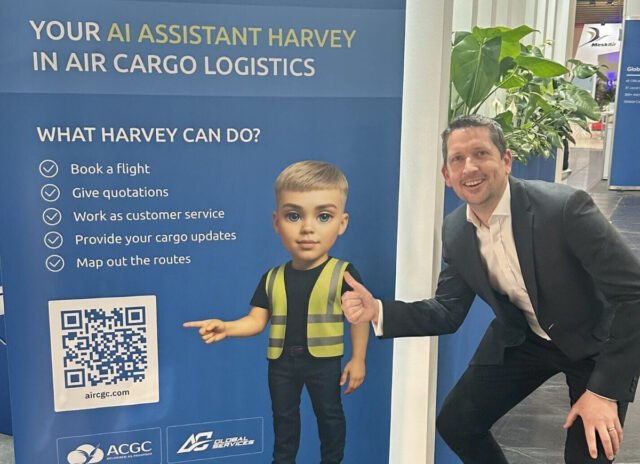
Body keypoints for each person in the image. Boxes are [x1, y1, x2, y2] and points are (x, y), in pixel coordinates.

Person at [341, 115, 640, 463]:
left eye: (481, 153)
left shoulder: (563, 209)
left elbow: (634, 293)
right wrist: (378, 309)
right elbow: (447, 311)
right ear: (447, 175)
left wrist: (603, 392)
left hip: (595, 343)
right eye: (457, 159)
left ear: (506, 160)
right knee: (457, 423)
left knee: (590, 452)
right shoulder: (456, 231)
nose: (469, 167)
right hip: (524, 337)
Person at [184, 160, 369, 464]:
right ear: (276, 222)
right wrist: (227, 327)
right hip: (281, 364)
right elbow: (256, 321)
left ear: (342, 222)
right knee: (284, 421)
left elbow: (359, 319)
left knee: (330, 417)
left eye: (323, 216)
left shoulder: (343, 274)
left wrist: (358, 358)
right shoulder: (271, 277)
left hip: (324, 363)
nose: (307, 228)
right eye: (293, 216)